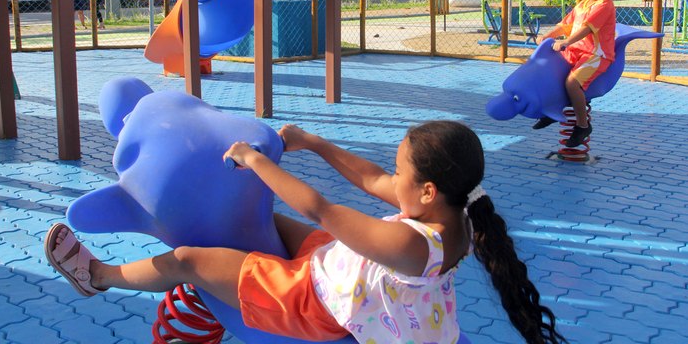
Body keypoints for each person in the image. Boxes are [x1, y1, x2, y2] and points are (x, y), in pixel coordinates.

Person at [45, 121, 567, 344]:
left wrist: (255, 161)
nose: (392, 177)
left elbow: (320, 208)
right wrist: (312, 142)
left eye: (402, 171)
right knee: (264, 222)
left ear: (428, 190)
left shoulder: (412, 244)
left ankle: (97, 275)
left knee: (187, 258)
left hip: (315, 300)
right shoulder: (456, 214)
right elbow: (370, 177)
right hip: (349, 268)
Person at [532, 0, 616, 147]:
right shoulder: (583, 4)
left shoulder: (604, 4)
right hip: (576, 51)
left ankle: (582, 125)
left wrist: (566, 42)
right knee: (551, 72)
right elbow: (565, 26)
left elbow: (587, 28)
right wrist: (547, 36)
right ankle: (553, 110)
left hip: (596, 55)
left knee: (571, 82)